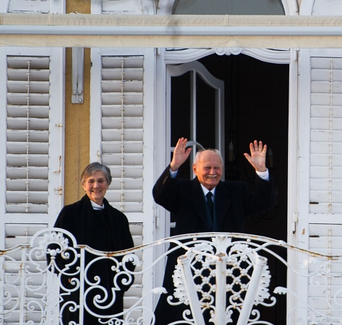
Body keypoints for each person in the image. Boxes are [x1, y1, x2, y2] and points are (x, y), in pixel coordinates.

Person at [152, 137, 275, 324]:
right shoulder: (182, 189)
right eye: (207, 168)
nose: (212, 172)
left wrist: (261, 171)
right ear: (195, 169)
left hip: (228, 269)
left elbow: (264, 202)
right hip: (188, 268)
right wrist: (174, 166)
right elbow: (159, 196)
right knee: (182, 318)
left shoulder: (236, 191)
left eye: (217, 168)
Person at [50, 162, 134, 325]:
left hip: (110, 290)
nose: (96, 185)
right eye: (91, 181)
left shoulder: (118, 219)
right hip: (78, 289)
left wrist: (122, 283)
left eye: (101, 181)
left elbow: (129, 255)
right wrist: (68, 276)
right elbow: (54, 248)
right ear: (83, 185)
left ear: (108, 184)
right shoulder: (69, 214)